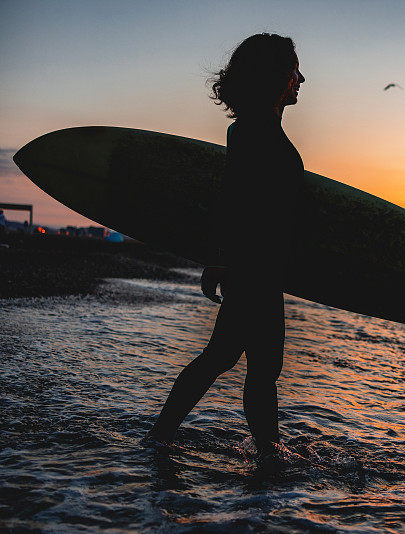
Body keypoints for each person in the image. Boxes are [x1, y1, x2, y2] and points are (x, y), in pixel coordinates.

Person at [146, 33, 305, 456]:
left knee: (229, 359)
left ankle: (164, 436)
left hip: (260, 266)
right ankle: (269, 456)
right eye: (294, 70)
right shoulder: (254, 131)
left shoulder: (257, 129)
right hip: (254, 267)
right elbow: (233, 198)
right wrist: (219, 258)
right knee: (254, 367)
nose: (301, 78)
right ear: (275, 75)